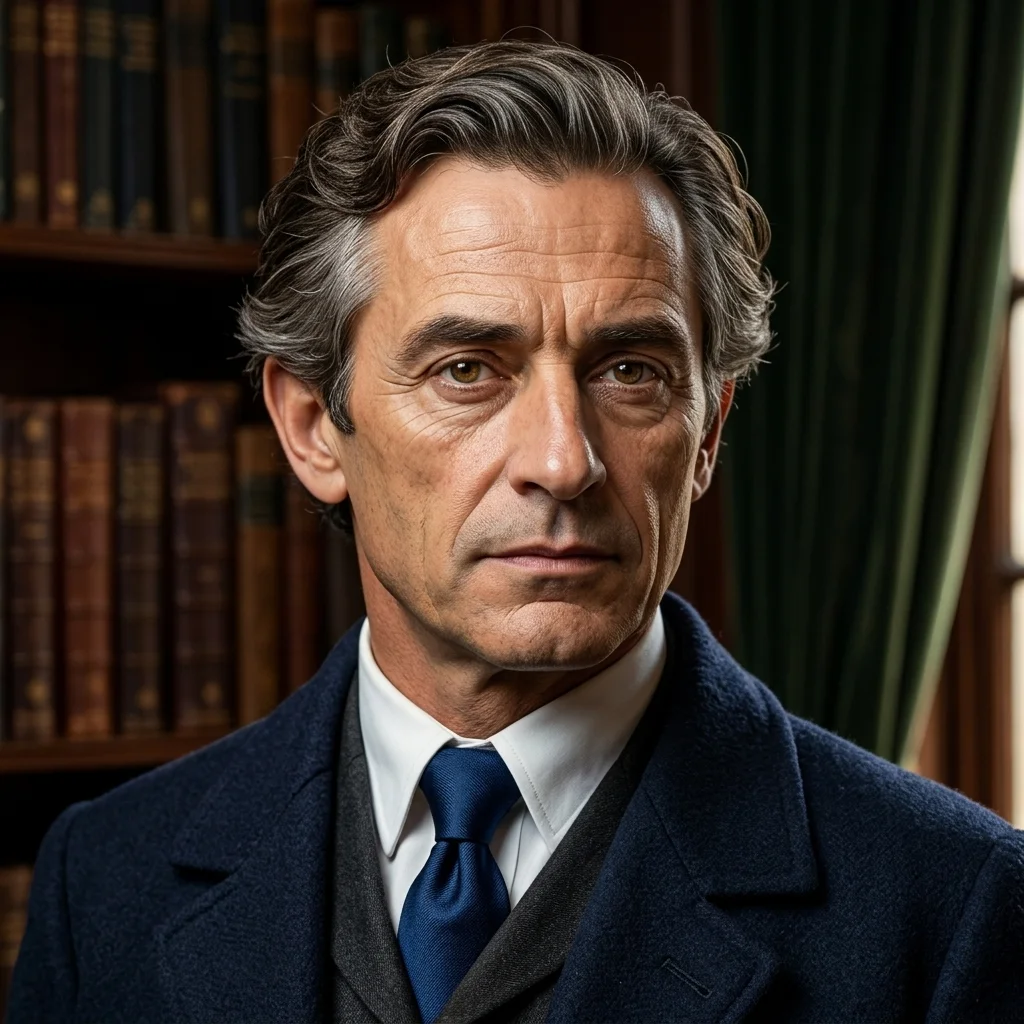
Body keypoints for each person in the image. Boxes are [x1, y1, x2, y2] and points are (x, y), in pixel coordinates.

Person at [9, 40, 1024, 1024]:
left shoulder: (954, 906)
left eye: (630, 371)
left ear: (706, 433)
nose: (562, 459)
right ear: (314, 426)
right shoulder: (104, 878)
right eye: (467, 370)